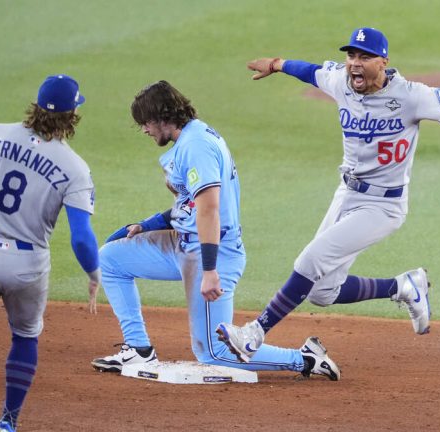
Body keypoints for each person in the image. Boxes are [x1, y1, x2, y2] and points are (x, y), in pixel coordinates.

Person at [217, 27, 440, 362]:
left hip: (382, 206)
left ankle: (254, 333)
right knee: (321, 292)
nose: (354, 63)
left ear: (383, 62)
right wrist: (276, 64)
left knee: (310, 261)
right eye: (351, 55)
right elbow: (310, 71)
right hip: (346, 194)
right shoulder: (341, 81)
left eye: (365, 57)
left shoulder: (412, 96)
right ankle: (403, 287)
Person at [90, 80, 339, 381]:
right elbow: (190, 205)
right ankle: (138, 348)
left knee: (214, 352)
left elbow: (209, 209)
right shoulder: (189, 139)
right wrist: (148, 225)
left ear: (162, 117)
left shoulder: (197, 146)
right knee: (111, 259)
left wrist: (209, 270)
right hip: (182, 244)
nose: (144, 129)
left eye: (146, 122)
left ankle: (305, 359)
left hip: (213, 253)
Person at [0, 74, 101, 432]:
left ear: (36, 106)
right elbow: (81, 238)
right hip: (26, 264)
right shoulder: (75, 167)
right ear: (72, 115)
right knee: (25, 336)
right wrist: (93, 273)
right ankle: (7, 423)